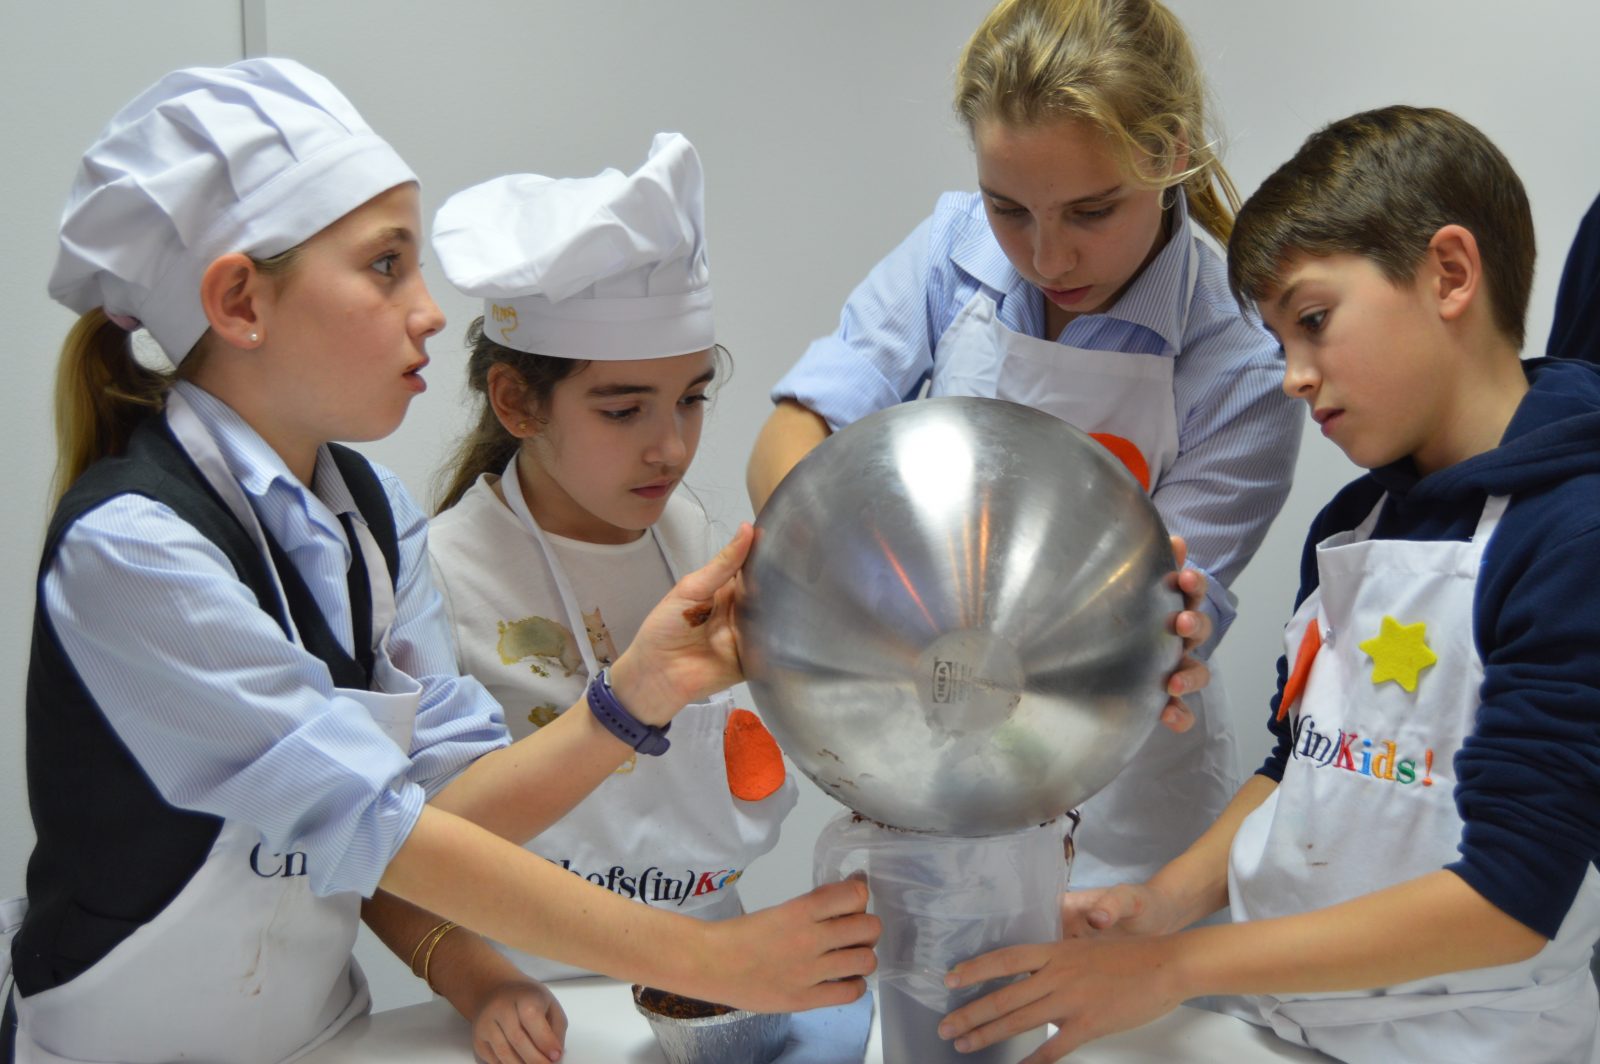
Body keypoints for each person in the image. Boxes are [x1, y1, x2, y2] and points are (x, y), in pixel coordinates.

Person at [0, 60, 876, 1064]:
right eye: (386, 266)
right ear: (240, 301)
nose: (428, 311)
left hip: (323, 1035)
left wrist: (642, 689)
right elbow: (382, 831)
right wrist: (712, 960)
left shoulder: (372, 517)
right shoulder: (135, 549)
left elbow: (451, 807)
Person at [938, 105, 1600, 1064]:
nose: (1292, 377)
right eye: (1281, 340)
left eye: (1315, 322)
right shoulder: (1352, 525)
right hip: (1287, 1024)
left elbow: (1510, 898)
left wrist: (1174, 968)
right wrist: (1159, 908)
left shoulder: (1571, 535)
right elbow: (1300, 765)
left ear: (1451, 274)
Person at [746, 0, 1302, 891]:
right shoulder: (953, 250)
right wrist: (821, 577)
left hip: (1120, 788)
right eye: (1009, 207)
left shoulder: (1241, 355)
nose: (1047, 258)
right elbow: (794, 434)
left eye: (1091, 211)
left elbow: (1162, 612)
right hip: (920, 750)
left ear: (1170, 156)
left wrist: (1175, 632)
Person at [358, 133, 800, 1056]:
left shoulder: (697, 542)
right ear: (518, 403)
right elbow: (382, 861)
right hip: (540, 1006)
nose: (671, 447)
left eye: (691, 398)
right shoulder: (440, 577)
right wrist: (481, 983)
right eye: (623, 408)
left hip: (708, 994)